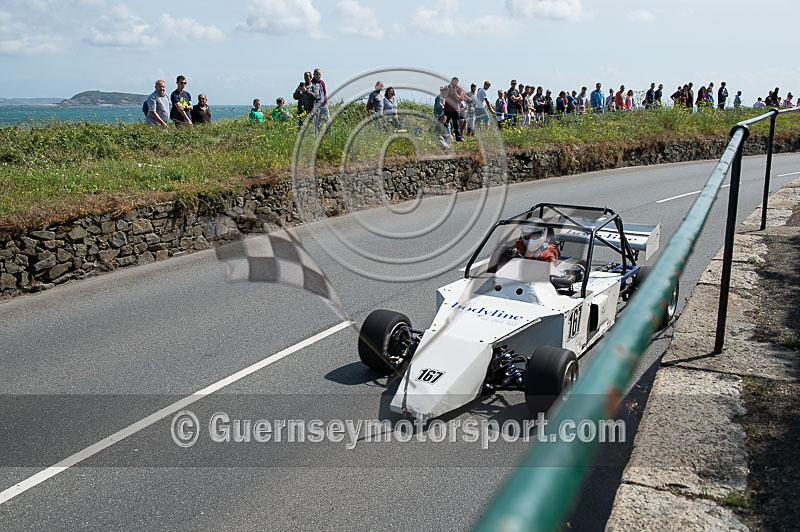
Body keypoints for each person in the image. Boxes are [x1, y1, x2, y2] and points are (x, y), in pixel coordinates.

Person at [443, 77, 465, 141]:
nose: (454, 83)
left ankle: (458, 138)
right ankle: (445, 137)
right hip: (447, 109)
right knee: (445, 124)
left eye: (455, 81)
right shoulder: (447, 87)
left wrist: (455, 92)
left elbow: (459, 99)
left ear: (457, 82)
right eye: (453, 81)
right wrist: (449, 90)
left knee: (456, 125)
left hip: (455, 110)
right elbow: (444, 96)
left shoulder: (459, 89)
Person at [311, 68, 329, 135]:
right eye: (317, 74)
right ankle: (317, 137)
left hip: (324, 104)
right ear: (314, 75)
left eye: (319, 74)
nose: (318, 75)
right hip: (317, 105)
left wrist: (326, 102)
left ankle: (328, 136)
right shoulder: (312, 83)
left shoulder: (322, 82)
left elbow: (324, 92)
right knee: (317, 123)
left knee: (328, 120)